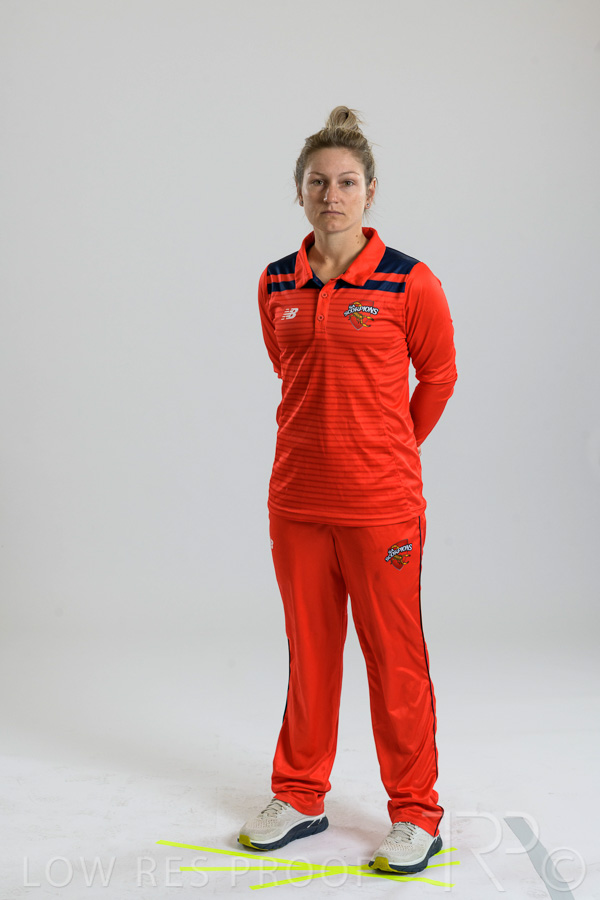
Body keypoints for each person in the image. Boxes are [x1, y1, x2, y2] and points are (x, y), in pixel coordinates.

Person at [238, 106, 457, 875]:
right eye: (318, 182)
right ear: (300, 192)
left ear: (370, 191)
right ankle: (300, 794)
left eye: (347, 182)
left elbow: (439, 377)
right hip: (297, 502)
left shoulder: (409, 281)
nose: (332, 195)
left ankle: (417, 813)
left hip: (381, 508)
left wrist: (390, 448)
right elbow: (292, 372)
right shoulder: (275, 281)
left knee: (395, 660)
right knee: (310, 653)